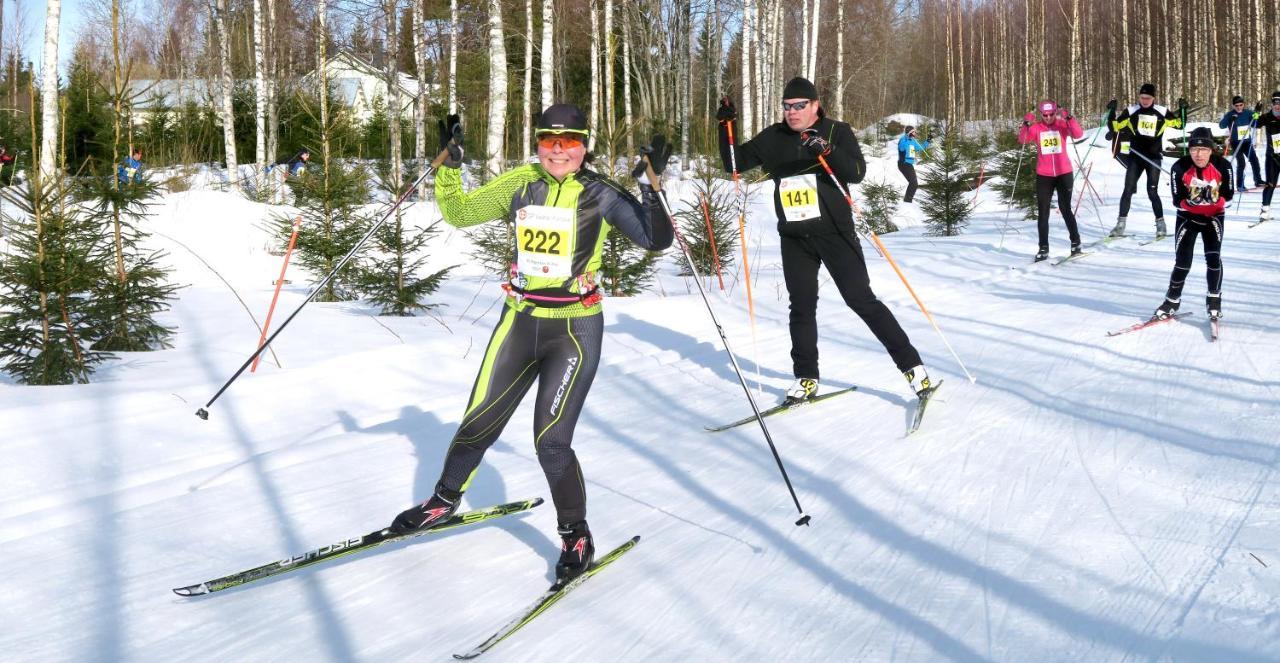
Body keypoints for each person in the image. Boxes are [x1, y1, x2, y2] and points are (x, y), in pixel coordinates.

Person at [387, 104, 673, 583]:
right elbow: (460, 214)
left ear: (585, 146)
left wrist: (651, 187)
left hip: (575, 330)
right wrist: (452, 167)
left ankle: (575, 534)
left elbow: (654, 239)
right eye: (548, 140)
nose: (558, 150)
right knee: (478, 421)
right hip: (518, 322)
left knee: (551, 442)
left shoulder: (600, 195)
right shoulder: (520, 184)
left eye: (570, 141)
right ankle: (443, 501)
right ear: (538, 143)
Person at [715, 77, 932, 405]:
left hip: (835, 233)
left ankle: (914, 369)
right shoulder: (774, 137)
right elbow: (734, 163)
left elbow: (856, 172)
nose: (792, 112)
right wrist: (725, 125)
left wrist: (827, 151)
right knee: (800, 306)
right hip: (794, 237)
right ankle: (805, 378)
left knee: (860, 299)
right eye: (787, 107)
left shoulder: (834, 131)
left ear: (815, 105)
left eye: (800, 105)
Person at [1152, 127, 1232, 321]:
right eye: (1194, 150)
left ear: (1211, 150)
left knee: (1213, 258)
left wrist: (1215, 200)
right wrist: (1190, 202)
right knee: (1182, 262)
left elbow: (1229, 198)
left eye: (1204, 149)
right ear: (1189, 150)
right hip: (1188, 219)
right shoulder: (1179, 167)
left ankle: (1214, 300)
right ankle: (1172, 301)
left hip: (1213, 218)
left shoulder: (1223, 165)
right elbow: (1176, 200)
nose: (1199, 154)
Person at [1105, 83, 1186, 238]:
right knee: (1128, 189)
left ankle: (1161, 225)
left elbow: (1180, 124)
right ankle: (1120, 225)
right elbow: (1114, 127)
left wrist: (1183, 109)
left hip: (1154, 157)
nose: (1145, 101)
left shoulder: (1161, 112)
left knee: (1152, 191)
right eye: (1142, 97)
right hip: (1136, 156)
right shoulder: (1131, 111)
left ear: (1153, 98)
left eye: (1148, 98)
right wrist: (1111, 111)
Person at [1017, 100, 1084, 261]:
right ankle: (1043, 247)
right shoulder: (1036, 128)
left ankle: (1076, 242)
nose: (1048, 118)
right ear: (1041, 114)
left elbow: (1077, 134)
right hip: (1044, 175)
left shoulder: (1061, 125)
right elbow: (1023, 140)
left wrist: (1068, 117)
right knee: (1043, 211)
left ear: (1055, 112)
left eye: (1051, 114)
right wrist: (1026, 123)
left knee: (1065, 208)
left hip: (1064, 173)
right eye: (1045, 115)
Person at [1218, 95, 1263, 190]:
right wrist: (1230, 119)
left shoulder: (1248, 113)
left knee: (1254, 160)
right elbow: (1221, 125)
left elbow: (1257, 125)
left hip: (1246, 142)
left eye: (1241, 105)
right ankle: (1240, 185)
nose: (1239, 107)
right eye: (1236, 105)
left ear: (1244, 104)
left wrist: (1257, 115)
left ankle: (1258, 181)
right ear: (1233, 106)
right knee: (1241, 162)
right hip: (1235, 143)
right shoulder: (1230, 114)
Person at [1254, 92, 1280, 223]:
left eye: (1279, 103)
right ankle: (1265, 211)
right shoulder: (1267, 117)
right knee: (1270, 184)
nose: (1277, 106)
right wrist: (1256, 112)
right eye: (1275, 104)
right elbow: (1255, 124)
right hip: (1272, 156)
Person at [896, 126, 929, 202]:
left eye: (915, 132)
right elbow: (901, 148)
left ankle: (907, 199)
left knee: (913, 183)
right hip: (903, 164)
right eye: (913, 132)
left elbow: (921, 148)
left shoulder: (913, 141)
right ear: (909, 132)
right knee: (914, 183)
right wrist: (907, 138)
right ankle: (907, 200)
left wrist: (928, 141)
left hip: (909, 164)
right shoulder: (903, 140)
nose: (915, 133)